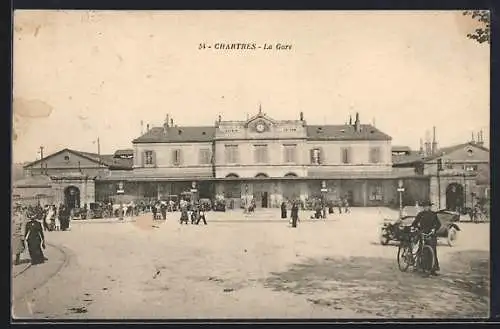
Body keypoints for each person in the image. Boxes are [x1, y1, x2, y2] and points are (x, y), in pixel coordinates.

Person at [412, 200, 441, 276]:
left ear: (430, 207)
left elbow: (438, 224)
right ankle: (421, 267)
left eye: (427, 206)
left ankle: (433, 269)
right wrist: (416, 228)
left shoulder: (433, 214)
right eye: (424, 206)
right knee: (422, 250)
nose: (426, 208)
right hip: (423, 233)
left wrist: (434, 229)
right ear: (423, 207)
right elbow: (414, 223)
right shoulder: (420, 214)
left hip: (431, 234)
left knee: (433, 251)